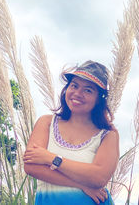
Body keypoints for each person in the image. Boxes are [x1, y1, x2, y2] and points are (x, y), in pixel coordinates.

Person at [23, 60, 119, 204]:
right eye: (74, 86)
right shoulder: (47, 122)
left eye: (88, 90)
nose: (78, 93)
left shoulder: (107, 135)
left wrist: (50, 158)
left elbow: (99, 177)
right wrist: (82, 185)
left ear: (99, 99)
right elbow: (31, 166)